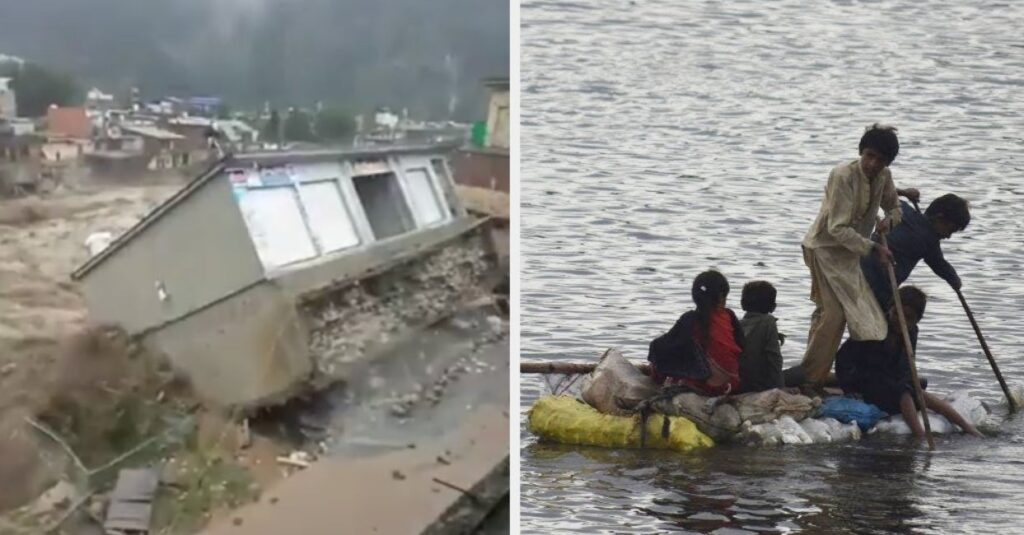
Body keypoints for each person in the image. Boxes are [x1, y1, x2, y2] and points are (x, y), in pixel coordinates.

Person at [799, 123, 919, 386]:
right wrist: (874, 248)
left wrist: (890, 219)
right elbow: (837, 228)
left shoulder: (884, 176)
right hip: (823, 249)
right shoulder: (842, 175)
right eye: (869, 156)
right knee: (833, 315)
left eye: (881, 159)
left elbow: (894, 206)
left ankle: (820, 374)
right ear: (862, 152)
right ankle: (809, 379)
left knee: (863, 319)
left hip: (849, 256)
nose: (873, 164)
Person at [835, 286, 984, 439]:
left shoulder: (911, 332)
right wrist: (849, 388)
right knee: (904, 391)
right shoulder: (875, 328)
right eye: (897, 314)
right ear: (890, 309)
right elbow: (843, 358)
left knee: (918, 390)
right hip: (868, 383)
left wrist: (908, 382)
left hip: (890, 382)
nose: (901, 321)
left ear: (917, 320)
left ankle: (968, 428)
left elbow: (906, 365)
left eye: (909, 318)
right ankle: (920, 435)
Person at [862, 193, 970, 310]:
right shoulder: (928, 240)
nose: (948, 236)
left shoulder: (903, 209)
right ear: (939, 217)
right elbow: (939, 264)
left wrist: (904, 193)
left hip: (859, 264)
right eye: (950, 230)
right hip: (879, 286)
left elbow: (883, 191)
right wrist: (955, 280)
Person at [648, 270, 744, 396]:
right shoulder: (729, 315)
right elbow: (741, 345)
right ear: (721, 297)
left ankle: (656, 378)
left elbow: (666, 346)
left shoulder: (689, 319)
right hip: (732, 383)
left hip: (708, 385)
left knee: (658, 346)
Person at [737, 281, 785, 393]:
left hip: (740, 383)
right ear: (773, 307)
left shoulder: (737, 324)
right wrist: (781, 389)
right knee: (800, 373)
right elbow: (774, 359)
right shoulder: (768, 322)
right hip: (760, 386)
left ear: (742, 304)